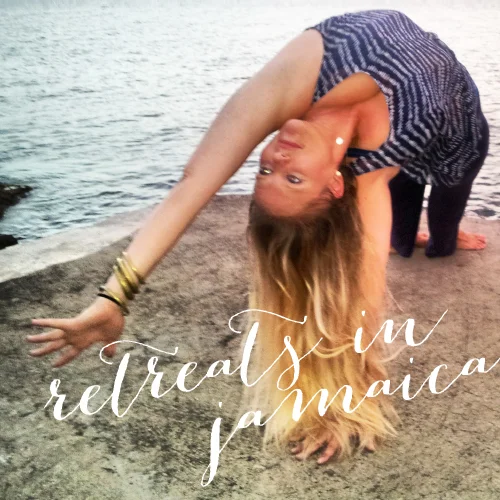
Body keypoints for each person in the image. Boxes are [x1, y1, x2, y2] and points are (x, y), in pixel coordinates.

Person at [28, 9, 490, 465]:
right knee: (419, 216)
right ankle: (429, 235)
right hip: (443, 123)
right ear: (333, 185)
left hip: (442, 104)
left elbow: (195, 181)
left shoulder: (302, 76)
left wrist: (113, 298)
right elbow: (367, 281)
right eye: (293, 179)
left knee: (437, 205)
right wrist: (350, 384)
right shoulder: (377, 163)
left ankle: (437, 232)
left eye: (264, 171)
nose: (277, 159)